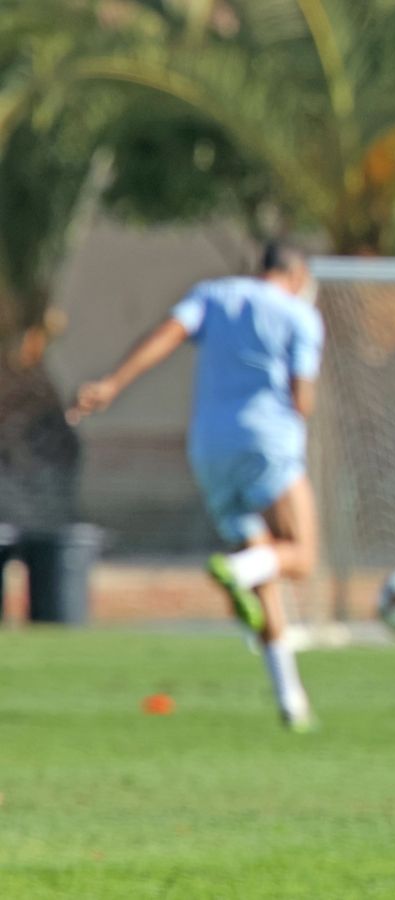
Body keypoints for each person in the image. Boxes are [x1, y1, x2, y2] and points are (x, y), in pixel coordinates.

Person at [70, 243, 325, 732]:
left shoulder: (214, 295)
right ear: (296, 276)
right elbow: (301, 398)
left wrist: (112, 384)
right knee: (300, 554)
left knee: (263, 573)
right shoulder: (298, 315)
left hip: (208, 447)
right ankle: (238, 567)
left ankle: (290, 700)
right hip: (265, 444)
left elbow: (168, 334)